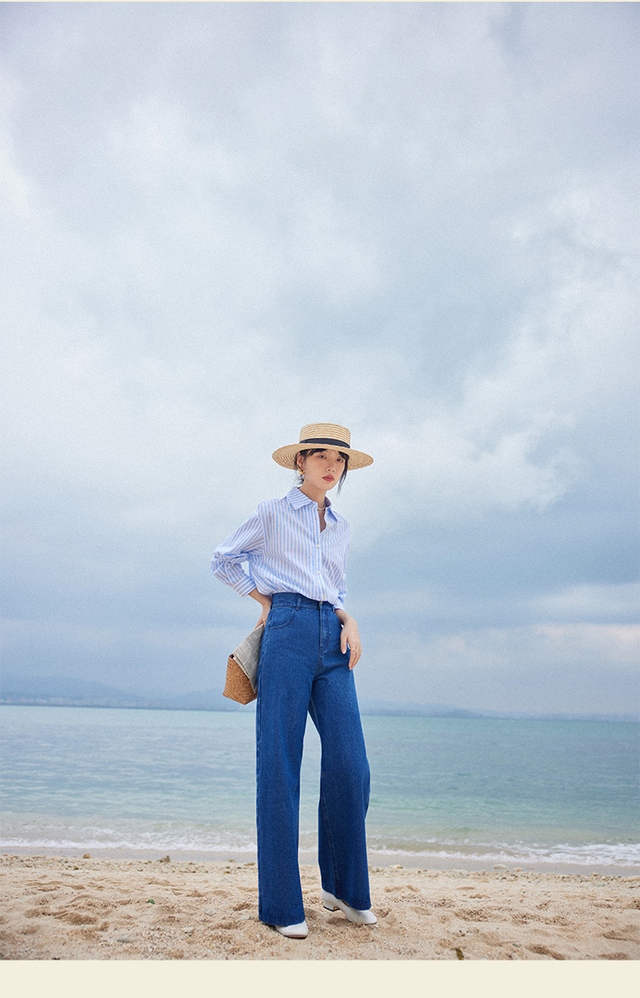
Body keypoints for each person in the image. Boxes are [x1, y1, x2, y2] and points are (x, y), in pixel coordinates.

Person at [210, 422, 377, 939]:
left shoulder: (342, 526)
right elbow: (223, 559)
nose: (332, 465)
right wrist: (265, 600)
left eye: (340, 459)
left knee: (352, 766)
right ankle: (282, 906)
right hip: (286, 631)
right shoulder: (272, 512)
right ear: (300, 461)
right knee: (280, 765)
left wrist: (349, 619)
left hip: (334, 639)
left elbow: (335, 585)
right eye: (321, 456)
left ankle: (343, 887)